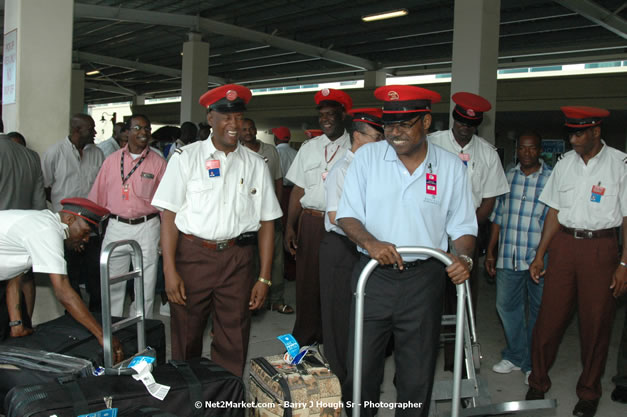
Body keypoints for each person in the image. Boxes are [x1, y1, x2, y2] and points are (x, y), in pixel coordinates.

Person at [337, 85, 477, 417]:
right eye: (389, 125)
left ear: (426, 122)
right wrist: (371, 243)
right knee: (361, 369)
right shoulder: (368, 158)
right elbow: (347, 215)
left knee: (416, 372)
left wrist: (464, 257)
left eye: (404, 124)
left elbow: (464, 227)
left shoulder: (450, 167)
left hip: (423, 280)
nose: (394, 133)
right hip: (373, 278)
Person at [151, 84, 282, 377]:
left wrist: (264, 277)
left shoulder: (256, 164)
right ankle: (190, 398)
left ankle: (226, 401)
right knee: (187, 335)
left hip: (238, 259)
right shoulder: (186, 158)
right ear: (211, 118)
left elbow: (267, 223)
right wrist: (169, 271)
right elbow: (169, 217)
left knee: (234, 337)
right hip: (193, 257)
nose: (233, 124)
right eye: (225, 116)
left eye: (238, 117)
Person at [526, 106, 627, 417]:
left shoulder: (620, 164)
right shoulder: (564, 164)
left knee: (596, 325)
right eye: (570, 132)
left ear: (596, 132)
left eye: (578, 133)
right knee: (548, 320)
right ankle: (538, 382)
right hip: (565, 246)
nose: (572, 139)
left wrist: (624, 264)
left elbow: (626, 218)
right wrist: (540, 253)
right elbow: (554, 212)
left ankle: (588, 392)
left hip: (602, 248)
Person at [0, 198, 124, 363]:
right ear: (70, 219)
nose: (86, 239)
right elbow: (63, 291)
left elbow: (14, 278)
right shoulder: (47, 230)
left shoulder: (40, 223)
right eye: (86, 232)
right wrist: (102, 335)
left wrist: (16, 325)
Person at [320, 108, 384, 385]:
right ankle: (340, 378)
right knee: (338, 317)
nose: (383, 142)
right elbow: (336, 217)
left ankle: (359, 375)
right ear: (358, 136)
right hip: (342, 248)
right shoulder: (342, 169)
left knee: (362, 315)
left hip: (366, 248)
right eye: (377, 136)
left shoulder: (375, 168)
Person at [284, 88, 352, 346]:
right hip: (310, 221)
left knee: (338, 283)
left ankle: (333, 336)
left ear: (343, 115)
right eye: (322, 115)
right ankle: (305, 334)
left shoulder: (355, 147)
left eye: (331, 114)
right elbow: (298, 189)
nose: (325, 119)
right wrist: (290, 226)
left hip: (341, 225)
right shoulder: (309, 148)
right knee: (307, 282)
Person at [484, 131, 551, 385]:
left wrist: (544, 255)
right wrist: (491, 251)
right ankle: (515, 355)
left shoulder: (551, 179)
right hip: (509, 256)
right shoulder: (508, 177)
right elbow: (498, 217)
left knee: (539, 311)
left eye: (532, 148)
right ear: (517, 151)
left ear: (539, 149)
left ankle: (532, 363)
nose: (526, 153)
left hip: (538, 258)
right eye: (522, 148)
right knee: (506, 306)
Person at [88, 114, 167, 319]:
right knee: (112, 282)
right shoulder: (112, 161)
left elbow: (166, 204)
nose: (143, 132)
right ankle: (112, 332)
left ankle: (140, 331)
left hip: (147, 227)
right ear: (127, 132)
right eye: (138, 128)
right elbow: (97, 197)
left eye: (147, 128)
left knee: (146, 285)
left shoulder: (158, 163)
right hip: (116, 226)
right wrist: (87, 228)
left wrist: (166, 237)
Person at [240, 118, 293, 314]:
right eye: (243, 129)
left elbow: (278, 179)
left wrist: (277, 207)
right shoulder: (237, 153)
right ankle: (251, 302)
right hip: (246, 217)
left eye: (250, 128)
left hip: (269, 214)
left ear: (256, 129)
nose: (248, 131)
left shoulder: (271, 151)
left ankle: (276, 300)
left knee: (276, 258)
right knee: (250, 259)